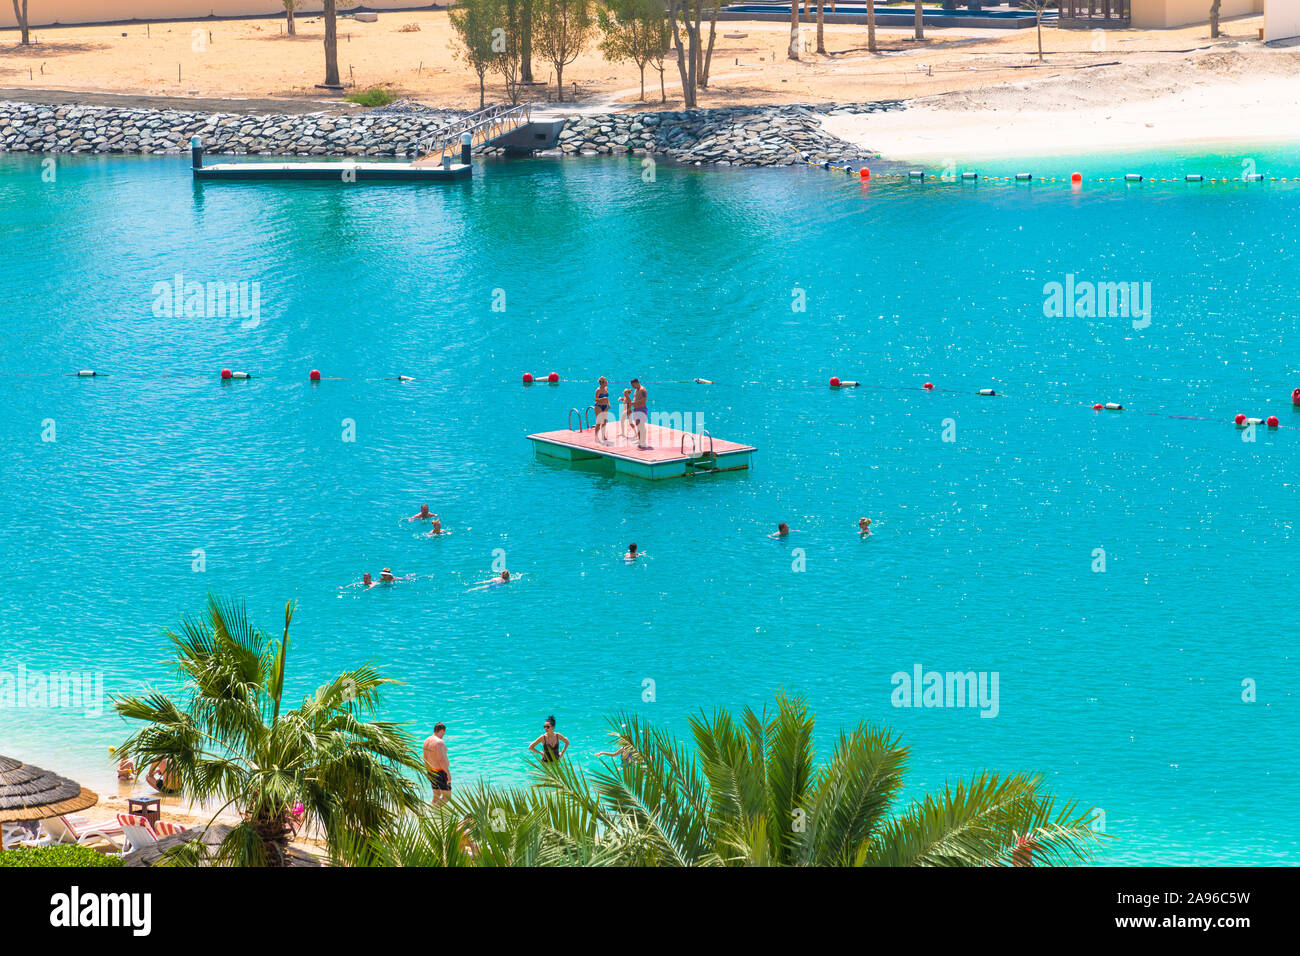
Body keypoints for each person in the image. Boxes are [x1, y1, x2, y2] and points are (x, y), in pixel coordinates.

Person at [423, 724, 451, 807]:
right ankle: (434, 811)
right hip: (440, 772)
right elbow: (441, 759)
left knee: (436, 796)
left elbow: (425, 758)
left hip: (431, 771)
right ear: (442, 730)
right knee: (447, 797)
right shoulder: (439, 742)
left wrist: (427, 771)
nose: (443, 735)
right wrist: (448, 773)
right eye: (444, 733)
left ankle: (430, 814)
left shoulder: (427, 741)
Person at [630, 378, 649, 448]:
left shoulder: (642, 390)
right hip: (636, 409)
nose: (633, 387)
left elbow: (644, 400)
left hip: (641, 409)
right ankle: (640, 440)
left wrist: (633, 403)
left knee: (641, 425)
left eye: (633, 385)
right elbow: (636, 398)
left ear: (637, 382)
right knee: (638, 425)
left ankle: (643, 441)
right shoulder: (636, 390)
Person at [594, 376, 610, 443]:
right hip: (598, 406)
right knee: (599, 422)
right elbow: (596, 399)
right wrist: (602, 399)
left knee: (604, 422)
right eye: (606, 381)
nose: (607, 382)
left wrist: (609, 404)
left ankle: (603, 436)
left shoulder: (606, 388)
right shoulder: (598, 390)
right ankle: (596, 437)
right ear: (603, 383)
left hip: (605, 406)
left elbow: (607, 397)